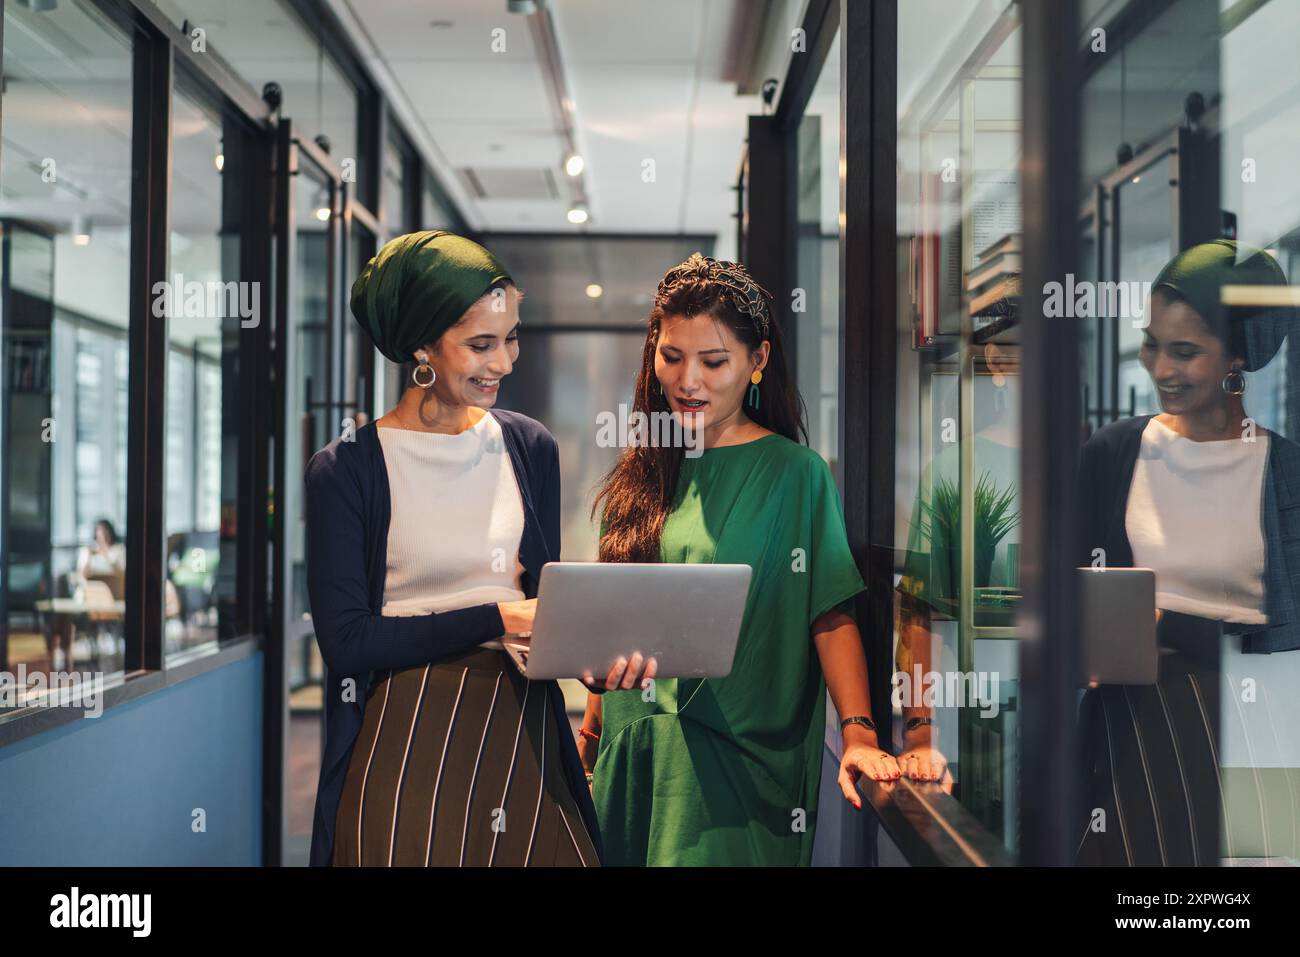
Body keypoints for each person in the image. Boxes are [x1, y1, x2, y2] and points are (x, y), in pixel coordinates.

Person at [304, 230, 649, 867]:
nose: (504, 362)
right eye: (480, 344)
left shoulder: (529, 446)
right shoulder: (347, 468)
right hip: (405, 731)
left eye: (511, 337)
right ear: (422, 345)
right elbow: (346, 642)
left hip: (522, 724)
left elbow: (543, 602)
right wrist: (497, 617)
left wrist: (590, 661)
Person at [579, 253, 900, 866]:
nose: (687, 381)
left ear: (758, 362)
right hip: (633, 755)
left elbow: (829, 613)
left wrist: (858, 732)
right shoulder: (641, 471)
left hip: (736, 768)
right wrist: (592, 734)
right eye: (671, 357)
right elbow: (616, 613)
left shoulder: (794, 474)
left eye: (713, 361)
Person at [1075, 239, 1300, 865]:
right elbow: (1068, 587)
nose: (1161, 368)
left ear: (1237, 358)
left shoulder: (1285, 472)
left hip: (1260, 721)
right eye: (1153, 344)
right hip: (1132, 724)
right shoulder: (1113, 454)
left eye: (1185, 352)